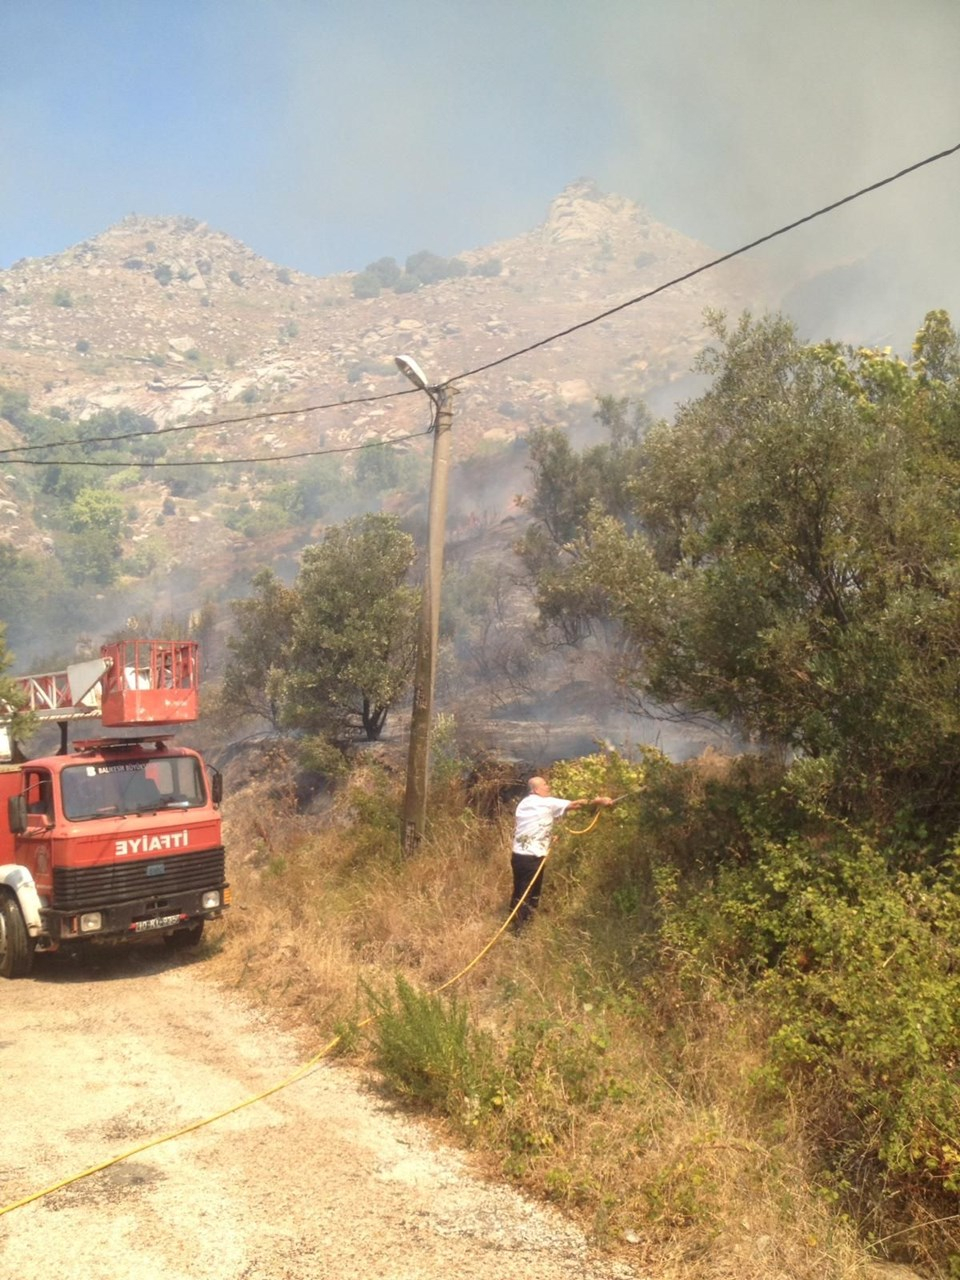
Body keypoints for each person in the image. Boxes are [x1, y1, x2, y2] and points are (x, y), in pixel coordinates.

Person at [510, 776, 613, 927]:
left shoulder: (523, 803)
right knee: (530, 893)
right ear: (536, 789)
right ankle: (520, 929)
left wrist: (548, 836)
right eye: (545, 785)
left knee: (519, 888)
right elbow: (576, 804)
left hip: (517, 856)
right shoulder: (546, 802)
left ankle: (514, 919)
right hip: (533, 857)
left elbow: (533, 824)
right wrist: (599, 801)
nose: (548, 787)